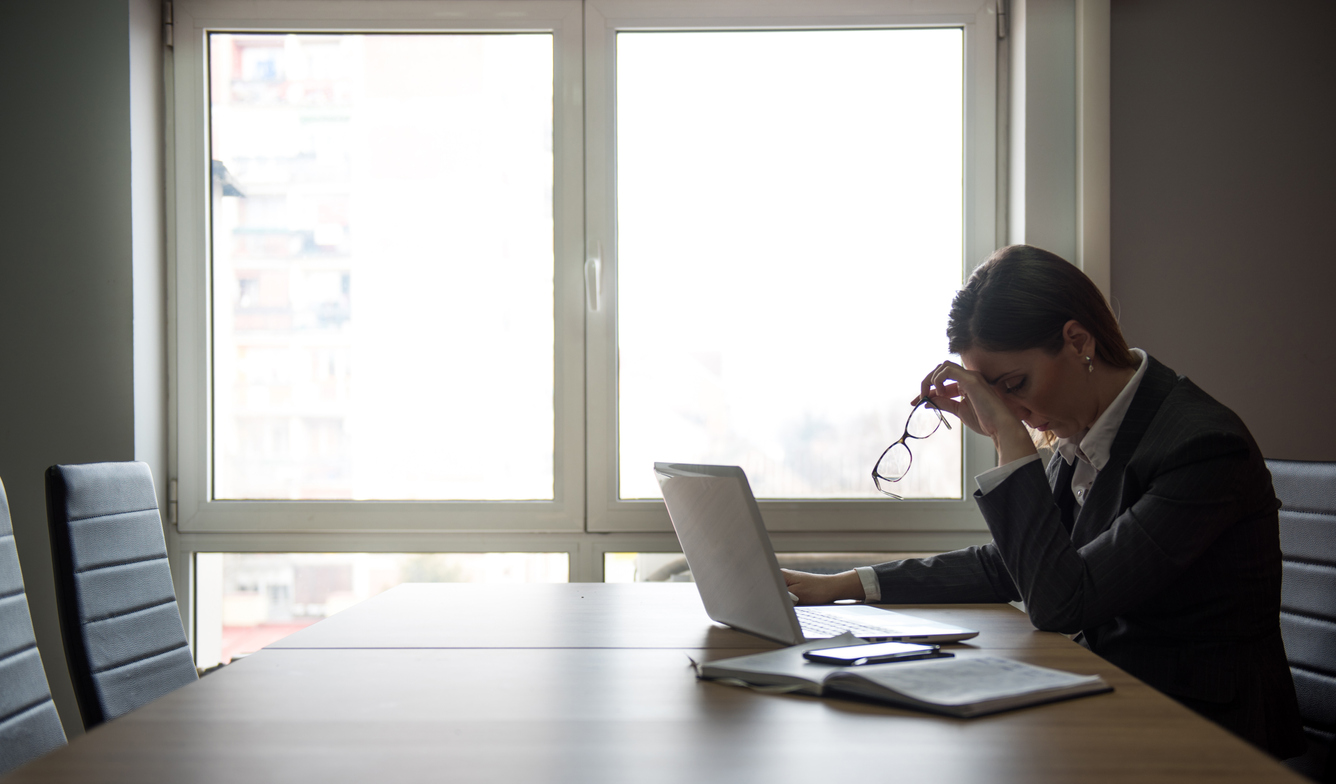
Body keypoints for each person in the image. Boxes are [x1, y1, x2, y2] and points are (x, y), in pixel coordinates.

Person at [783, 245, 1304, 759]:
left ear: (1078, 341)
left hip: (1204, 734)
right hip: (1110, 699)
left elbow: (1063, 601)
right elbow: (1015, 565)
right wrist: (846, 584)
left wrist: (1011, 443)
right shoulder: (1089, 430)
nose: (1013, 409)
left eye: (1014, 384)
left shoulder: (1202, 448)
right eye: (994, 395)